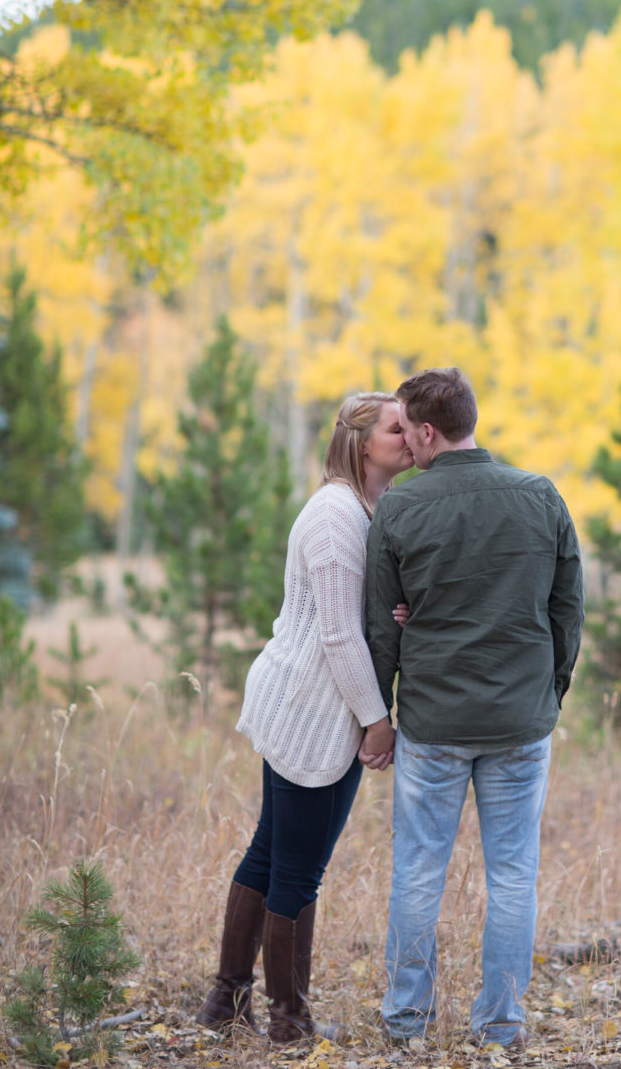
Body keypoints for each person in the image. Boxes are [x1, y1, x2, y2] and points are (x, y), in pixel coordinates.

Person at [365, 366, 585, 1049]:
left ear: (429, 431)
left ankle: (406, 1021)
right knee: (515, 872)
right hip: (520, 719)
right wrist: (549, 691)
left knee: (419, 870)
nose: (403, 440)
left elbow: (380, 623)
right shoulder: (539, 495)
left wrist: (380, 717)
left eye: (406, 428)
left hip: (433, 722)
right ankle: (500, 1023)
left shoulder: (401, 506)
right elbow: (567, 609)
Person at [196, 392, 410, 1043]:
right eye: (395, 428)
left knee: (273, 854)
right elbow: (340, 638)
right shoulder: (334, 516)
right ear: (360, 442)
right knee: (295, 866)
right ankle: (288, 1021)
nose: (409, 437)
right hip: (311, 709)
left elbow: (356, 612)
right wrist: (378, 720)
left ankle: (227, 1003)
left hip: (325, 703)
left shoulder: (369, 509)